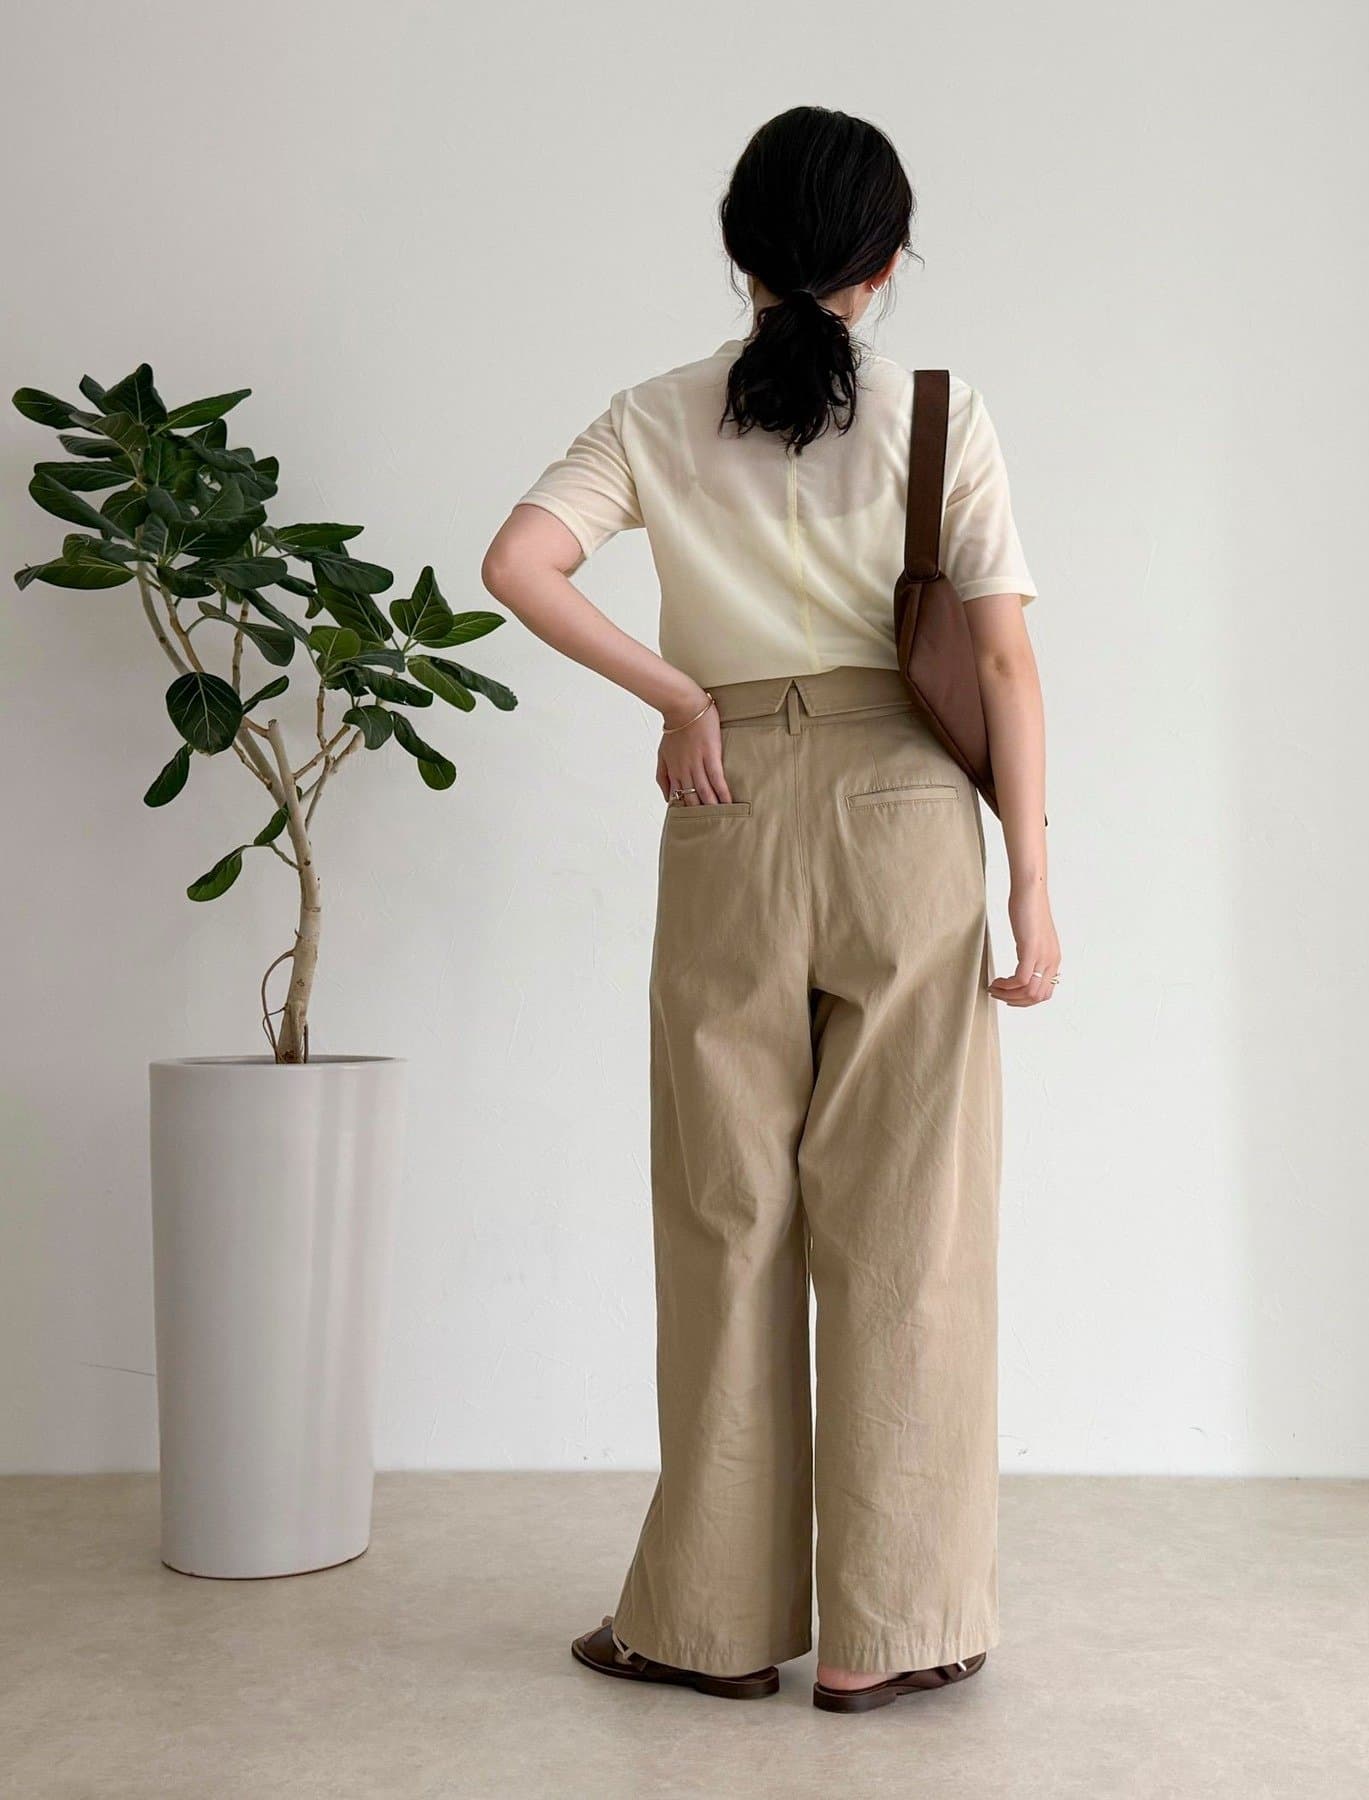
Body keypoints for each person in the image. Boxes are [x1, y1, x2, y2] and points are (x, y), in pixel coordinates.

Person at [482, 104, 1058, 1716]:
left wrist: (680, 695)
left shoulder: (655, 414)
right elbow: (1002, 660)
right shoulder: (938, 417)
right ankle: (887, 1628)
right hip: (905, 820)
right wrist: (1033, 881)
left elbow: (518, 564)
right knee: (910, 1222)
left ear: (737, 249)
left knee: (725, 1212)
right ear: (887, 260)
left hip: (724, 803)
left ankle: (707, 1626)